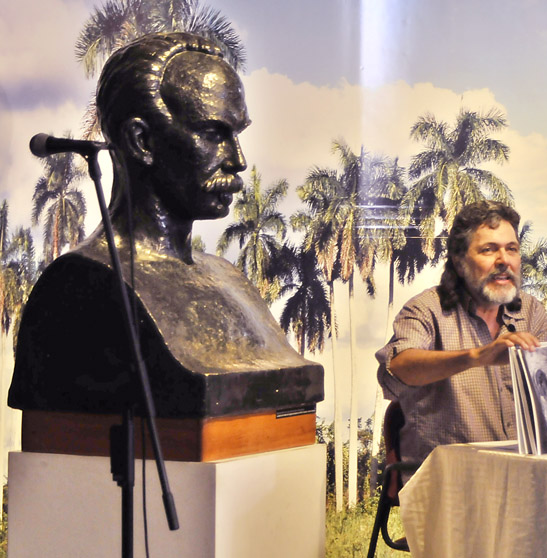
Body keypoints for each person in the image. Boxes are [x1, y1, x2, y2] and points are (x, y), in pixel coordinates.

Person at [9, 33, 322, 418]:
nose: (238, 160)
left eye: (236, 134)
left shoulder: (229, 278)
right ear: (142, 141)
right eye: (212, 134)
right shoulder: (80, 288)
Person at [375, 200, 547, 465]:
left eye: (512, 249)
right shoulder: (426, 309)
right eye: (489, 250)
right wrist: (479, 356)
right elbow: (399, 367)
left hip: (526, 470)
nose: (504, 261)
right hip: (449, 478)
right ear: (459, 260)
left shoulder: (531, 311)